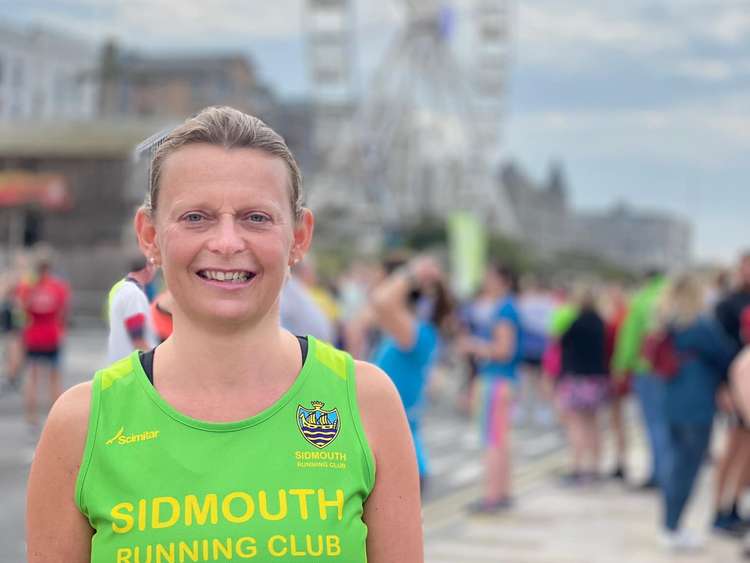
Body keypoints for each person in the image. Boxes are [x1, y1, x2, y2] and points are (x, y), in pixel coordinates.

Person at [26, 106, 422, 562]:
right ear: (150, 234)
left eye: (256, 217)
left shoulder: (366, 404)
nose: (228, 242)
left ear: (299, 236)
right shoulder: (80, 425)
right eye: (196, 217)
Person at [653, 275, 735, 551]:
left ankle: (669, 524)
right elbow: (725, 356)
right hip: (697, 404)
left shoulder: (666, 323)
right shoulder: (700, 326)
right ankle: (673, 527)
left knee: (674, 464)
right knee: (687, 468)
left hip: (671, 400)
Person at [368, 254, 453, 489]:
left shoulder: (418, 336)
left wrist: (414, 273)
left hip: (401, 464)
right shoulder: (409, 334)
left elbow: (381, 301)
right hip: (391, 456)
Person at [459, 264, 523, 513]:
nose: (485, 283)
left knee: (493, 440)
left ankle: (493, 496)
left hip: (496, 381)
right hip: (504, 381)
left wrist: (474, 346)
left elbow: (503, 350)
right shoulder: (506, 308)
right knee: (501, 439)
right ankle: (502, 492)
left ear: (502, 280)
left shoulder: (504, 310)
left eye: (489, 277)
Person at [612, 269, 669, 489]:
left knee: (653, 423)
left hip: (646, 369)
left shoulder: (642, 300)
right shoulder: (671, 296)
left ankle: (658, 473)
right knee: (666, 424)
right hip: (671, 372)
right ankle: (667, 471)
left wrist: (620, 366)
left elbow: (629, 337)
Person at [552, 284, 609, 484]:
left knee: (575, 424)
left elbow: (560, 343)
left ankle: (576, 468)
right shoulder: (601, 322)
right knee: (593, 423)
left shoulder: (575, 322)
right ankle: (595, 468)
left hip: (577, 377)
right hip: (598, 378)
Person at [16, 246, 70, 430]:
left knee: (32, 376)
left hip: (33, 336)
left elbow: (21, 311)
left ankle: (31, 415)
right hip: (52, 335)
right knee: (54, 377)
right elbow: (63, 313)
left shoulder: (27, 287)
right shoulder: (58, 287)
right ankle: (54, 416)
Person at [106, 256, 158, 364]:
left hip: (122, 364)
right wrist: (156, 362)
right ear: (148, 267)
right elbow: (137, 338)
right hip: (133, 367)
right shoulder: (134, 294)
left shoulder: (122, 289)